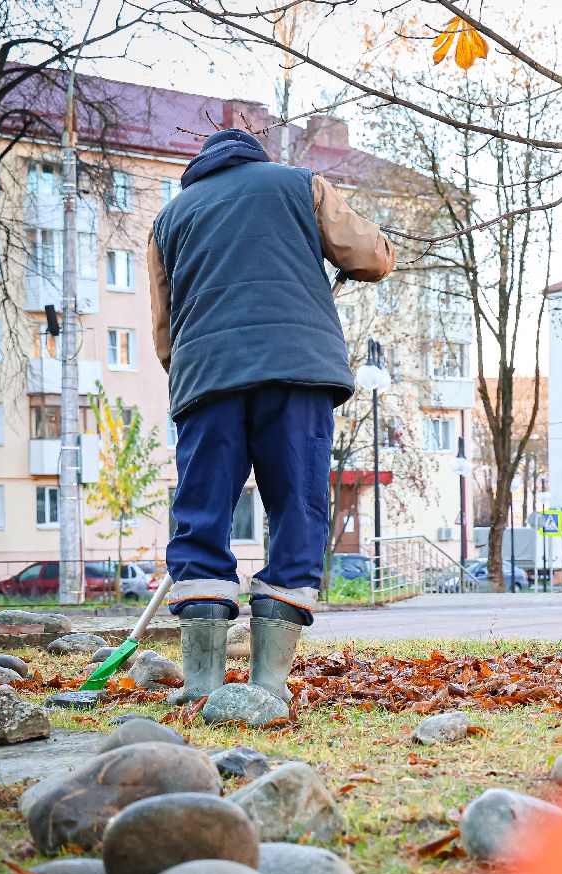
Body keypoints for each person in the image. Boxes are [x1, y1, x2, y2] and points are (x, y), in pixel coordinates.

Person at [149, 127, 394, 703]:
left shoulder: (169, 218)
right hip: (296, 372)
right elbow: (373, 258)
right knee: (297, 510)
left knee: (202, 515)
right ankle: (269, 684)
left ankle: (202, 683)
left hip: (206, 379)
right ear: (255, 157)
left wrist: (191, 370)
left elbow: (164, 332)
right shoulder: (299, 185)